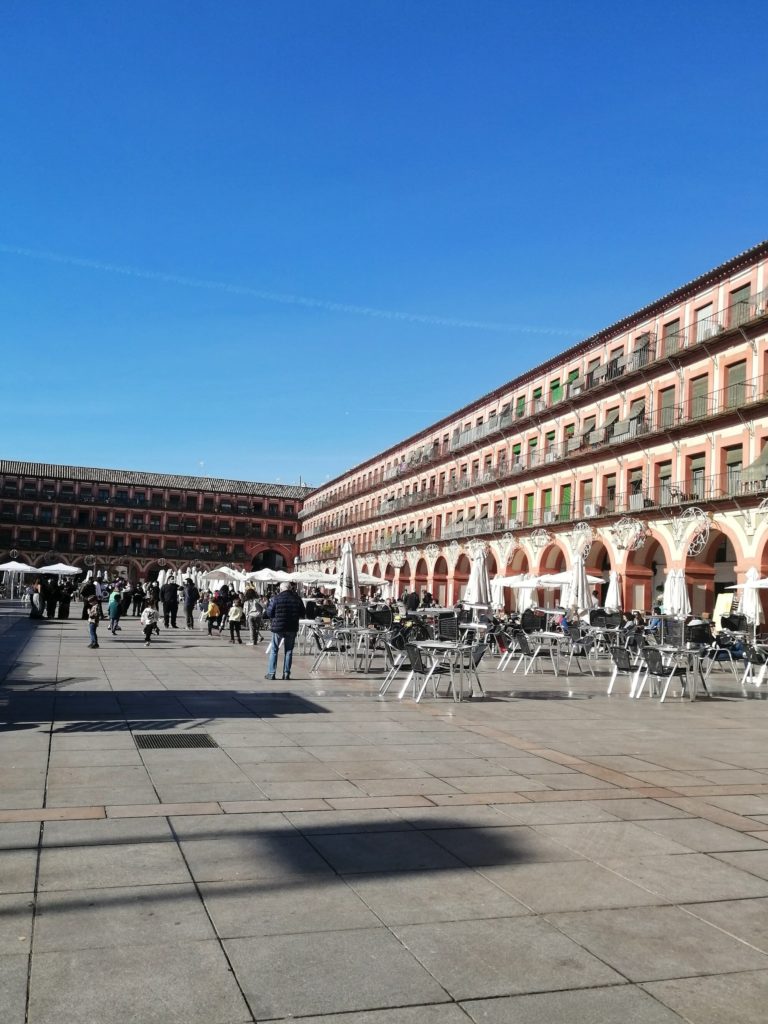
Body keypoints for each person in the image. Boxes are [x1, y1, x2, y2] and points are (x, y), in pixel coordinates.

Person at [264, 582, 305, 680]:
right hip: (292, 627)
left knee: (274, 650)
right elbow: (303, 613)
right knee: (289, 651)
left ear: (281, 589)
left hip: (278, 627)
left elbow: (269, 613)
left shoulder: (276, 598)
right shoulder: (297, 599)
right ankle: (286, 673)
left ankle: (271, 673)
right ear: (291, 589)